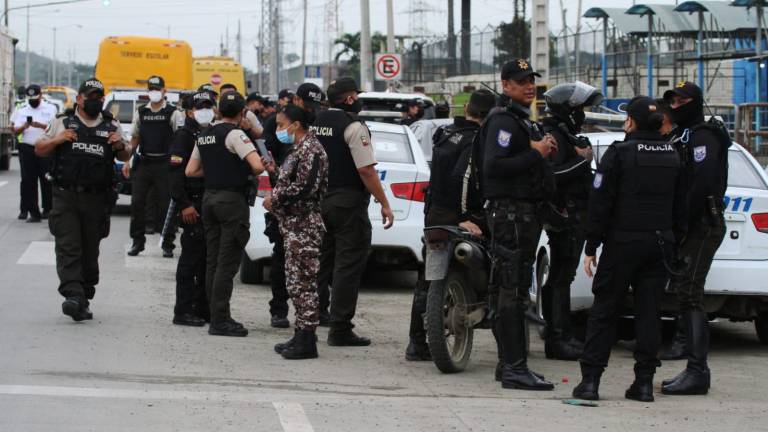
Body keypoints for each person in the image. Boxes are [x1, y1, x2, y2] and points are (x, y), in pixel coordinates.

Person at [573, 96, 688, 402]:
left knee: (605, 310)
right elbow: (680, 204)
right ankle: (645, 383)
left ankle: (590, 382)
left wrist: (592, 243)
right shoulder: (673, 152)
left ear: (631, 122)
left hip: (623, 242)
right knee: (649, 312)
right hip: (660, 243)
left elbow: (600, 202)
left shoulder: (620, 153)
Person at [478, 59, 557, 390]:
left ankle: (509, 364)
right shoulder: (504, 122)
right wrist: (536, 153)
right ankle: (514, 367)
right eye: (521, 81)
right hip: (510, 215)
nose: (529, 86)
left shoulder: (520, 121)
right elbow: (494, 166)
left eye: (532, 81)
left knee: (511, 290)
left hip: (521, 214)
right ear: (505, 84)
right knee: (511, 292)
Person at [406, 89, 496, 361]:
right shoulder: (474, 140)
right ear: (488, 115)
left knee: (427, 280)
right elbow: (463, 178)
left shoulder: (444, 135)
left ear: (468, 108)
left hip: (434, 216)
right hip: (459, 218)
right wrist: (465, 217)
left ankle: (417, 344)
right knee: (492, 265)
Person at [35, 77, 131, 321]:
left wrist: (119, 145)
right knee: (69, 248)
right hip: (65, 196)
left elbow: (127, 153)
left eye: (99, 98)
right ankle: (73, 295)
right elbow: (39, 148)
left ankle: (83, 295)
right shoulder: (62, 122)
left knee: (90, 253)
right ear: (79, 99)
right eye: (90, 97)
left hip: (96, 200)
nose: (95, 102)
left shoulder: (111, 124)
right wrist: (58, 139)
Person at [312, 77, 395, 346]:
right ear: (349, 99)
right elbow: (366, 170)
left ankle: (309, 321)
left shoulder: (317, 123)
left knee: (320, 264)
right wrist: (383, 201)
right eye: (355, 95)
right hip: (347, 203)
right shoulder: (353, 127)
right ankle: (340, 328)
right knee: (347, 266)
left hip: (319, 201)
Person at [660, 82, 730, 396]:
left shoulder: (704, 136)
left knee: (690, 293)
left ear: (695, 103)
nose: (675, 105)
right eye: (671, 101)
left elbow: (701, 183)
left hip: (701, 225)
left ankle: (698, 370)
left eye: (681, 100)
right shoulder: (683, 136)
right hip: (692, 226)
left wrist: (682, 224)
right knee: (685, 293)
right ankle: (694, 368)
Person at [185, 91, 265, 337]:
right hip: (231, 201)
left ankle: (214, 314)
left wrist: (216, 172)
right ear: (243, 114)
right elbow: (258, 166)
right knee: (227, 262)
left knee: (213, 260)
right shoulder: (236, 134)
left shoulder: (205, 135)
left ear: (218, 111)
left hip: (209, 199)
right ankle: (220, 319)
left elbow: (190, 171)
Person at [539, 81, 603, 360]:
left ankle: (562, 333)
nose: (583, 115)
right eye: (579, 109)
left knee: (563, 276)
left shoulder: (568, 134)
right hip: (565, 215)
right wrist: (583, 160)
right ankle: (557, 338)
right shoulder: (552, 134)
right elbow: (551, 177)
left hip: (578, 215)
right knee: (560, 278)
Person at [263, 105, 329, 359]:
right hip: (291, 225)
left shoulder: (311, 150)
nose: (279, 130)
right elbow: (291, 180)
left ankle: (307, 339)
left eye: (281, 125)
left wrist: (275, 198)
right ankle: (301, 333)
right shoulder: (297, 150)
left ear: (296, 124)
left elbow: (305, 188)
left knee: (304, 283)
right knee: (294, 282)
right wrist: (274, 172)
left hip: (304, 225)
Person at [169, 91, 216, 327]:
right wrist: (185, 205)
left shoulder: (210, 132)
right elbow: (175, 176)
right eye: (201, 107)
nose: (205, 110)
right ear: (190, 111)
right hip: (192, 203)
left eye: (209, 106)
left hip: (208, 202)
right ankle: (183, 310)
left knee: (206, 260)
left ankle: (202, 307)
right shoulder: (184, 135)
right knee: (190, 261)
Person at [125, 75, 184, 258]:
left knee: (166, 205)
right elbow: (135, 138)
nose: (154, 92)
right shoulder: (141, 112)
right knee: (137, 203)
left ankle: (167, 243)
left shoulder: (173, 113)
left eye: (157, 89)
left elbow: (180, 137)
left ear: (164, 91)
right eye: (151, 89)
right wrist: (127, 160)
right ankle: (137, 241)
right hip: (145, 162)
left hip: (165, 164)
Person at [10, 84, 58, 222]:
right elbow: (14, 129)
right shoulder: (21, 109)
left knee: (46, 179)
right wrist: (24, 126)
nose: (33, 101)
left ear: (41, 96)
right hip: (27, 148)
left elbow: (55, 127)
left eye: (35, 98)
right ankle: (33, 212)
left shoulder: (50, 108)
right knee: (28, 181)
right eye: (30, 98)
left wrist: (40, 125)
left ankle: (48, 209)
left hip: (45, 148)